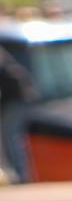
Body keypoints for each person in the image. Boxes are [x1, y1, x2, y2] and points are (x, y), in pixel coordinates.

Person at [0, 46, 37, 183]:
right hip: (16, 100)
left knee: (11, 138)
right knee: (11, 138)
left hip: (15, 101)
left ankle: (20, 176)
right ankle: (20, 175)